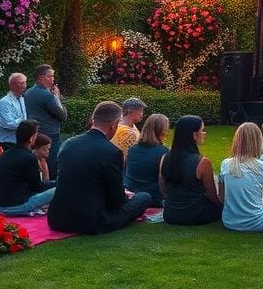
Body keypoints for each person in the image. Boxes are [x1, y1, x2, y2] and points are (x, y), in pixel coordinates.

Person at [47, 101, 151, 234]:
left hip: (58, 217)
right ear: (114, 124)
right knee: (143, 197)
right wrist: (125, 196)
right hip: (92, 220)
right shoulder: (111, 152)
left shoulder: (68, 144)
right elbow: (116, 201)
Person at [161, 115, 221, 225]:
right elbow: (212, 196)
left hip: (170, 214)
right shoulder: (202, 162)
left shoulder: (165, 158)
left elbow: (163, 188)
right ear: (194, 135)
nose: (205, 133)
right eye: (202, 130)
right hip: (195, 214)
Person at [0, 119, 56, 216]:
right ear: (32, 138)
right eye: (36, 135)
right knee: (60, 188)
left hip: (0, 205)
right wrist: (58, 183)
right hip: (18, 205)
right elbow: (37, 187)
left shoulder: (5, 155)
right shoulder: (29, 158)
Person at [24, 64, 67, 180]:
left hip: (35, 132)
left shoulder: (28, 92)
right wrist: (57, 97)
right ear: (42, 77)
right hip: (50, 134)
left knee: (38, 160)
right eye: (51, 76)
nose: (53, 79)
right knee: (52, 162)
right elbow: (62, 116)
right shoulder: (47, 96)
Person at [124, 113, 169, 208]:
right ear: (162, 131)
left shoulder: (132, 149)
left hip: (131, 195)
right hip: (153, 198)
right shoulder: (164, 152)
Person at [0, 72, 29, 149]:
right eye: (21, 83)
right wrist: (26, 124)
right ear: (12, 85)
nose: (24, 86)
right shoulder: (4, 102)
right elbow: (7, 124)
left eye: (25, 83)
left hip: (19, 142)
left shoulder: (22, 99)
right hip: (7, 143)